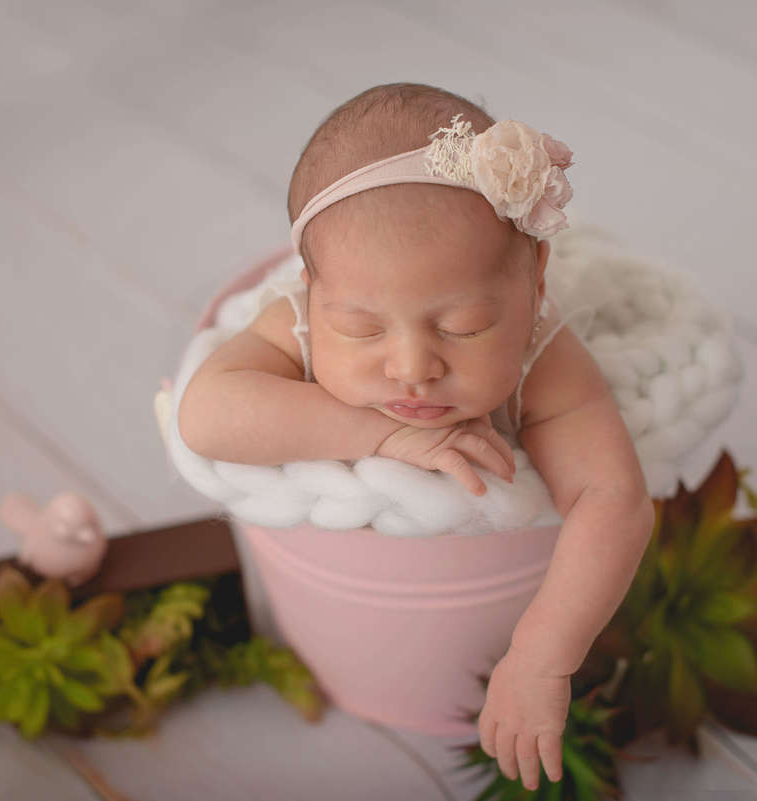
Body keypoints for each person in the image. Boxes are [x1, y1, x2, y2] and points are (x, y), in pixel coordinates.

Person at [177, 82, 653, 792]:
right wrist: (380, 435)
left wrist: (541, 654)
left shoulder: (543, 355)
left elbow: (612, 497)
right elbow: (206, 415)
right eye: (361, 329)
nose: (411, 367)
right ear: (311, 289)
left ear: (534, 283)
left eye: (463, 327)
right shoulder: (297, 321)